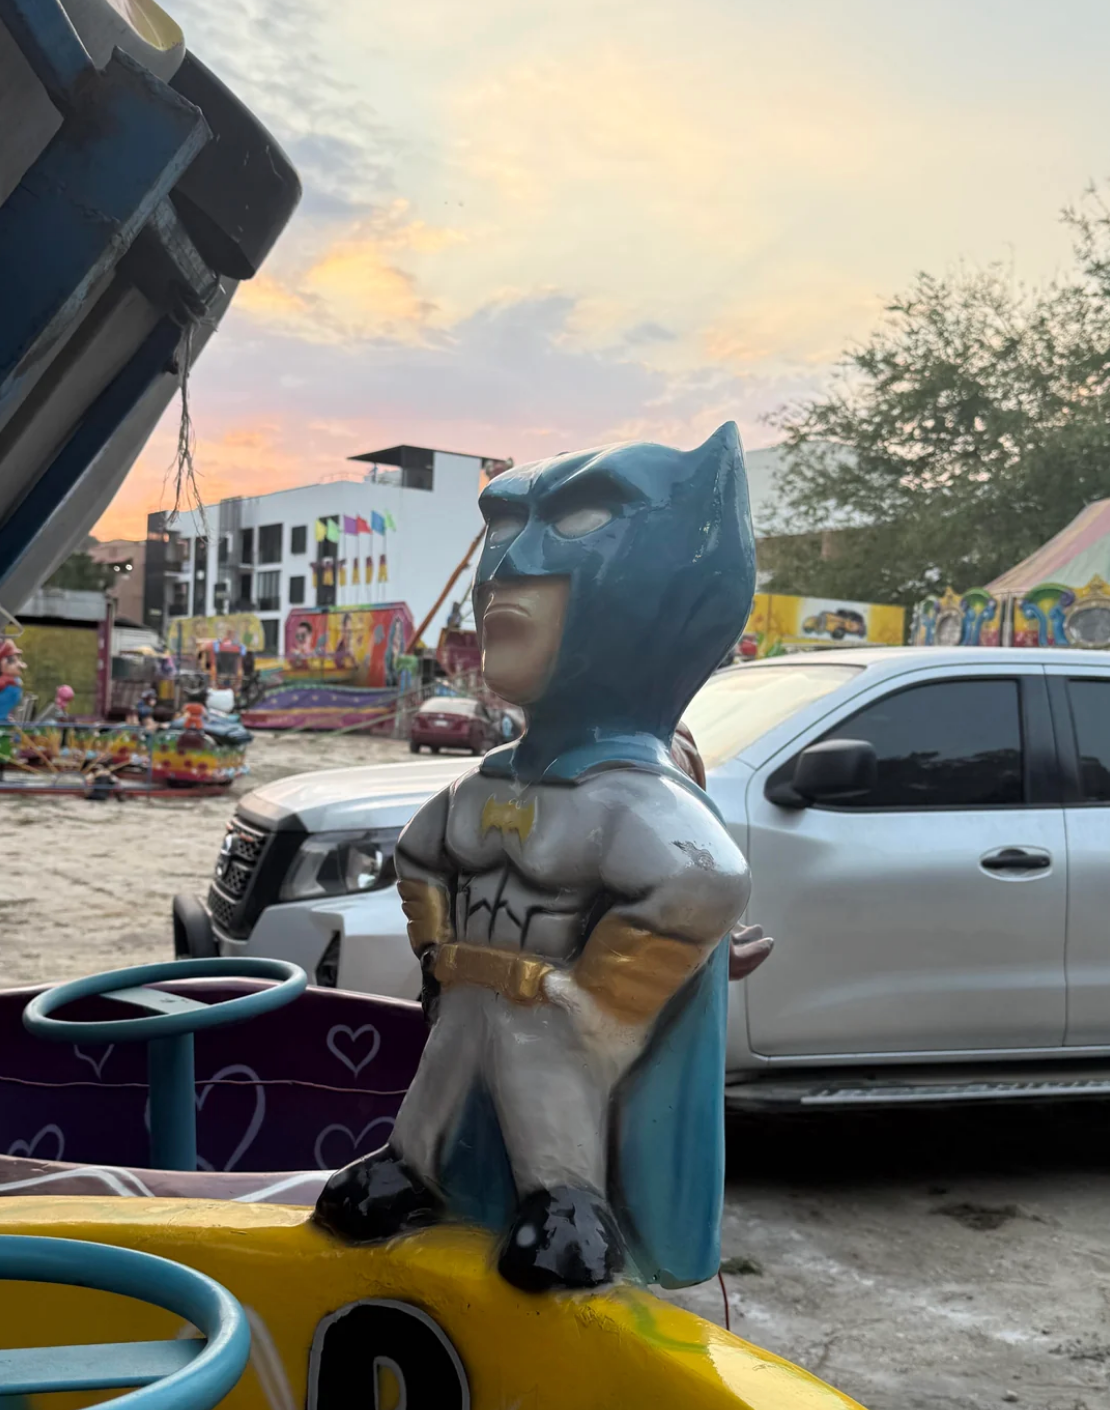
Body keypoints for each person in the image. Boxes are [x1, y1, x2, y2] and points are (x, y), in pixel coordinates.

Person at [316, 423, 759, 1294]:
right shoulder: (485, 783)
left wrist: (599, 998)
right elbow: (418, 856)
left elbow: (704, 879)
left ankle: (566, 1202)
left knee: (540, 1064)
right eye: (503, 537)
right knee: (451, 1056)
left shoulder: (633, 793)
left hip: (550, 1002)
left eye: (574, 527)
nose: (508, 569)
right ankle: (411, 1166)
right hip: (478, 977)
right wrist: (437, 952)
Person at [0, 639, 25, 723]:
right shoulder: (7, 683)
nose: (19, 664)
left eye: (18, 660)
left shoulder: (14, 681)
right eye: (13, 661)